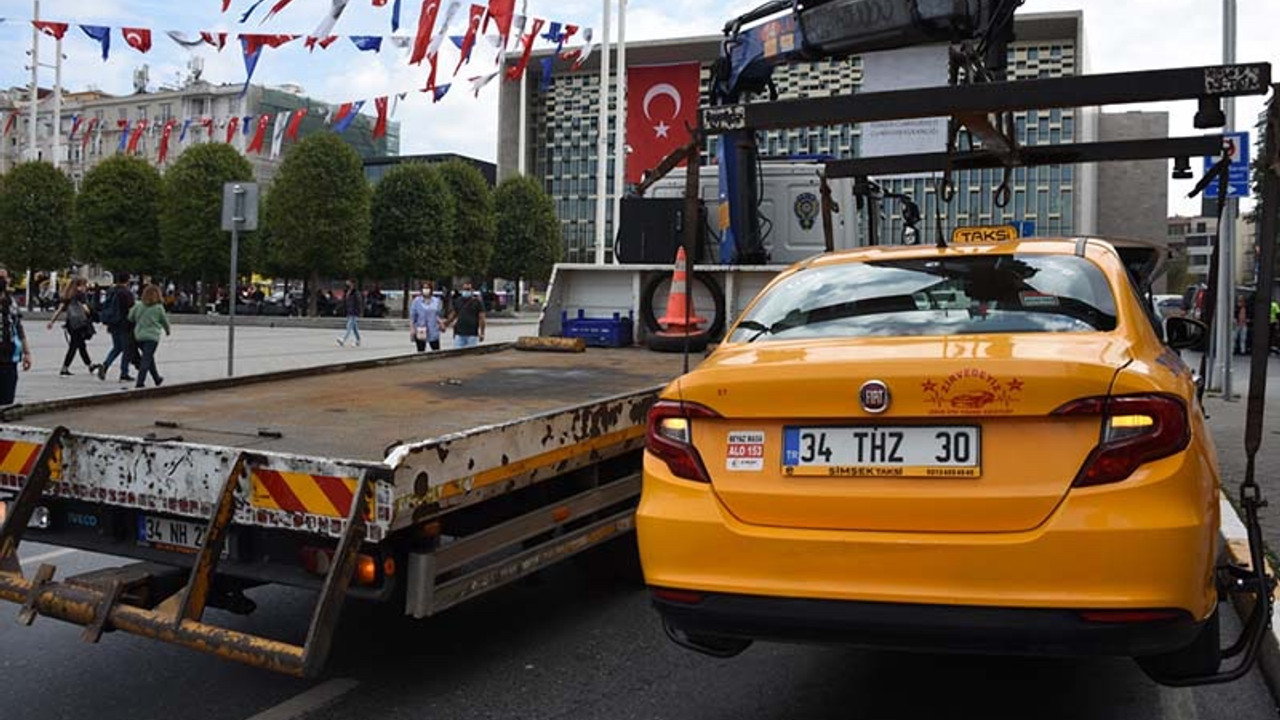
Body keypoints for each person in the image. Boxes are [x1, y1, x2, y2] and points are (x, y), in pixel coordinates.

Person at [47, 277, 100, 378]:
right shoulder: (80, 295)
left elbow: (59, 310)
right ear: (79, 286)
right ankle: (65, 368)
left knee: (81, 346)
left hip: (71, 324)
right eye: (84, 285)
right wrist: (91, 313)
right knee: (74, 346)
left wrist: (51, 322)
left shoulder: (67, 295)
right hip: (80, 324)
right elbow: (86, 309)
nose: (86, 287)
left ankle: (90, 365)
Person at [0, 268, 33, 405]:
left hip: (9, 356)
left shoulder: (11, 302)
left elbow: (18, 327)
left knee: (7, 400)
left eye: (3, 278)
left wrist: (27, 352)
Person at [129, 284, 171, 389]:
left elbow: (130, 317)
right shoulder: (159, 308)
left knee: (149, 357)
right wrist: (167, 330)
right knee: (146, 359)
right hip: (152, 337)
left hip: (138, 336)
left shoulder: (138, 305)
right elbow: (164, 321)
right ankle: (140, 382)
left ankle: (157, 378)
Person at [97, 274, 137, 382]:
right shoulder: (126, 293)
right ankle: (124, 373)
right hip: (124, 324)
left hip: (113, 323)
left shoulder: (111, 291)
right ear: (127, 281)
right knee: (126, 349)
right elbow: (131, 309)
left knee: (117, 347)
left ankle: (105, 365)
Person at [443, 282, 486, 349]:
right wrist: (445, 324)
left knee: (470, 354)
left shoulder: (477, 302)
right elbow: (453, 315)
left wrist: (482, 333)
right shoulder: (458, 301)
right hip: (459, 333)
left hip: (472, 333)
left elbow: (482, 318)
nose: (466, 291)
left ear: (472, 290)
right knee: (457, 353)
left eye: (468, 289)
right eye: (465, 289)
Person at [410, 282, 443, 352]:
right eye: (424, 288)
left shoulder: (436, 301)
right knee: (421, 351)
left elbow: (437, 315)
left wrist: (441, 324)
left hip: (433, 330)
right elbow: (413, 317)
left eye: (427, 288)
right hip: (420, 329)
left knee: (436, 351)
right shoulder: (416, 301)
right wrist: (412, 329)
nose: (426, 290)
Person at [337, 280, 362, 347]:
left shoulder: (356, 293)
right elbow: (345, 302)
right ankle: (358, 340)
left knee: (349, 326)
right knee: (354, 328)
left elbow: (359, 302)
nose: (347, 284)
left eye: (349, 283)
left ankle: (343, 339)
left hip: (354, 312)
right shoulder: (347, 292)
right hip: (349, 311)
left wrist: (359, 311)